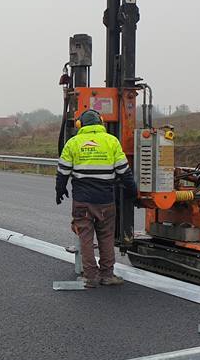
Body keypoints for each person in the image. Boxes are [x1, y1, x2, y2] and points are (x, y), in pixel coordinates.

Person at [55, 109, 138, 287]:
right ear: (101, 122)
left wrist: (59, 190)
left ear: (80, 124)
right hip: (105, 200)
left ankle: (90, 277)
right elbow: (124, 171)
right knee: (106, 237)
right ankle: (107, 275)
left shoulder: (73, 143)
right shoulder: (111, 141)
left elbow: (62, 172)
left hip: (82, 201)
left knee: (85, 237)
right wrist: (133, 192)